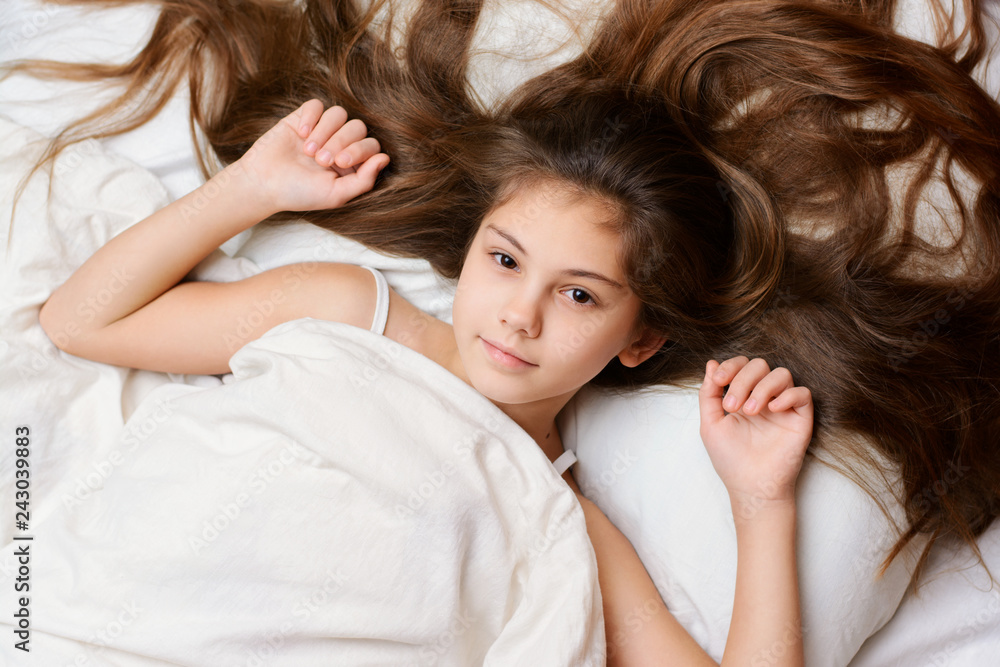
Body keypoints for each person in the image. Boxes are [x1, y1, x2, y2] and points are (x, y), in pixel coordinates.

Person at [38, 95, 814, 665]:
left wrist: (762, 502)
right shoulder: (349, 311)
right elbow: (82, 321)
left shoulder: (567, 527)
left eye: (578, 295)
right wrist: (248, 188)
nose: (518, 316)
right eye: (504, 260)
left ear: (640, 338)